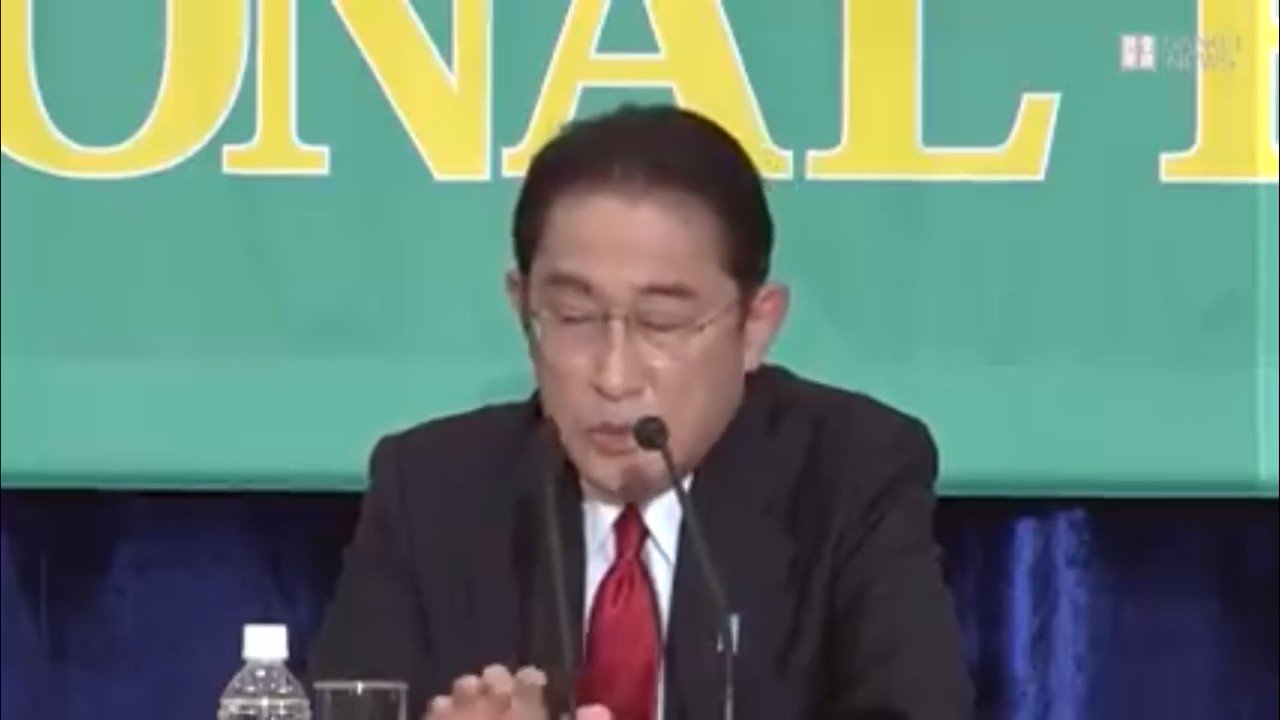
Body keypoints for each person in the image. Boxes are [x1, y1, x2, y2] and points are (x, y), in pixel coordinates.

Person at [308, 104, 974, 719]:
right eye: (573, 317)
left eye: (662, 323)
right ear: (522, 307)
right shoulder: (432, 489)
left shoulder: (850, 474)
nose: (614, 376)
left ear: (755, 325)